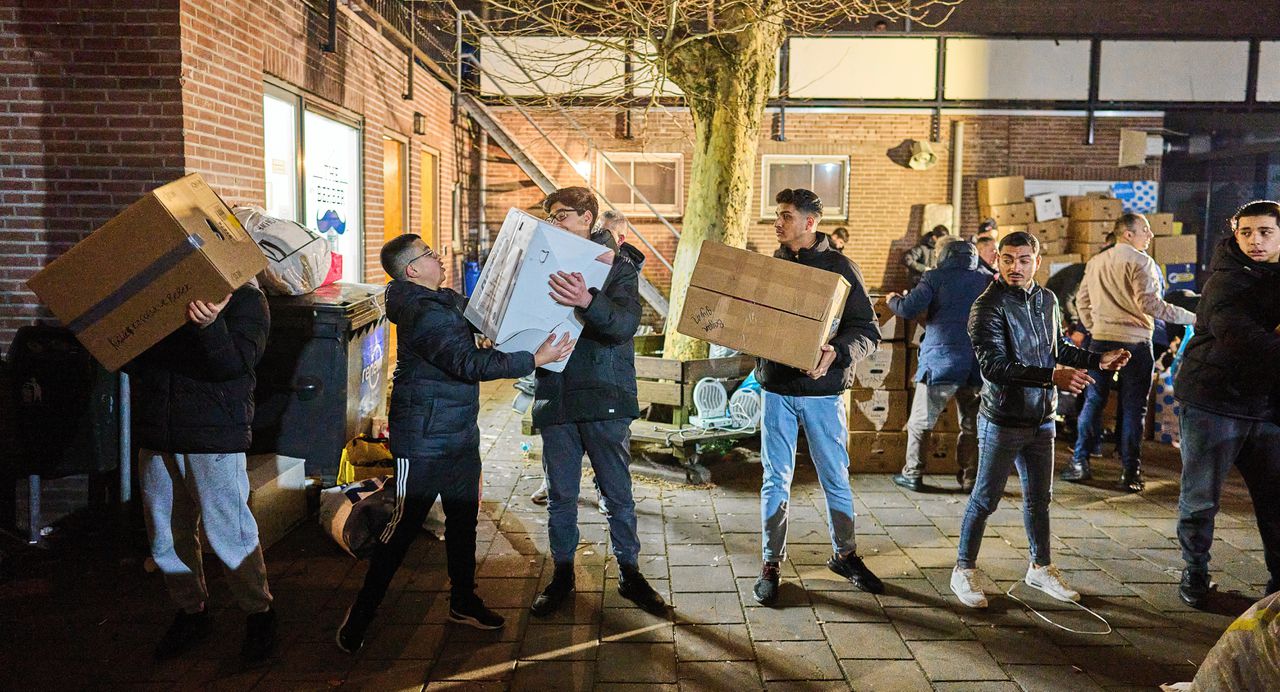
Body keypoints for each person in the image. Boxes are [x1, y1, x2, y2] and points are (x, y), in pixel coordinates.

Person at [337, 235, 574, 653]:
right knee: (403, 527)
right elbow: (467, 364)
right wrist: (533, 359)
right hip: (425, 437)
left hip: (458, 431)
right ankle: (360, 614)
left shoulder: (439, 300)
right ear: (412, 270)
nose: (439, 258)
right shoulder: (422, 312)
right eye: (429, 255)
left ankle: (463, 601)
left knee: (463, 521)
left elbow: (472, 325)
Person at [950, 231, 1130, 609]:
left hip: (1041, 418)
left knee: (1039, 500)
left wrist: (1096, 359)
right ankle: (963, 570)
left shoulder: (1046, 299)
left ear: (1037, 261)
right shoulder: (987, 306)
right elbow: (994, 366)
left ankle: (1040, 566)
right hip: (1002, 417)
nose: (1016, 267)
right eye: (1008, 259)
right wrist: (1053, 376)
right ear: (997, 260)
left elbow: (1057, 347)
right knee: (985, 499)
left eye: (1024, 260)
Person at [529, 187, 666, 617]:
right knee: (560, 496)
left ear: (586, 218)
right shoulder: (541, 261)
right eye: (548, 217)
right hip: (556, 395)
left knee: (617, 495)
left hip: (605, 395)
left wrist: (587, 300)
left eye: (561, 215)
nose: (552, 223)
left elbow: (625, 324)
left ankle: (630, 572)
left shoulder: (617, 266)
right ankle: (562, 575)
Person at [130, 282, 277, 662]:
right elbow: (135, 363)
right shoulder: (163, 295)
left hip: (212, 436)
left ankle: (260, 615)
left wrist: (211, 326)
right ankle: (191, 611)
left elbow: (234, 365)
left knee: (230, 531)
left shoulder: (246, 299)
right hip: (157, 433)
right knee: (166, 534)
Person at [752, 188, 883, 606]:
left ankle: (845, 555)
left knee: (835, 478)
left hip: (823, 395)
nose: (777, 222)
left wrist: (838, 351)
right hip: (776, 389)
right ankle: (771, 563)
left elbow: (868, 331)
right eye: (777, 214)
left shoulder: (840, 268)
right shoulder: (772, 265)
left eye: (786, 216)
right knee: (775, 479)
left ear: (810, 223)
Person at [1174, 200, 1280, 609]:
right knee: (1201, 497)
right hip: (1213, 401)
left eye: (1265, 232)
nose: (1255, 241)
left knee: (1275, 501)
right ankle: (1195, 575)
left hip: (1267, 407)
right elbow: (1240, 337)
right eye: (1246, 232)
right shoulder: (1225, 279)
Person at [1063, 214, 1196, 492]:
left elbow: (1081, 300)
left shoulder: (1097, 262)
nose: (1150, 236)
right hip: (1135, 343)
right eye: (1145, 231)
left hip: (1100, 341)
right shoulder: (1142, 262)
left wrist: (1093, 326)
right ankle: (1129, 471)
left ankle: (1079, 463)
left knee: (1093, 401)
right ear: (1127, 234)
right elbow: (1151, 305)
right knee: (1134, 408)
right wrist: (1192, 316)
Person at [885, 238, 990, 492]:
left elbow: (909, 309)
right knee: (971, 426)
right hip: (975, 365)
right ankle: (969, 479)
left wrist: (892, 300)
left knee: (921, 422)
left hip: (940, 364)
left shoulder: (934, 277)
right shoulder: (986, 280)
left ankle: (913, 473)